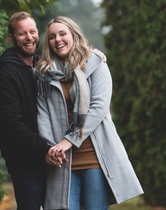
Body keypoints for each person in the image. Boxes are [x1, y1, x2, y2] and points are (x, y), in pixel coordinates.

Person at [35, 16, 144, 209]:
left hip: (95, 156)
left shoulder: (95, 63)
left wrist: (68, 140)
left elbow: (99, 107)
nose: (57, 39)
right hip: (63, 161)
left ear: (74, 35)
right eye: (52, 36)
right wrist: (51, 149)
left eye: (62, 34)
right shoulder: (43, 74)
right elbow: (42, 116)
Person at [0, 11, 64, 210]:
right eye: (22, 34)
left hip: (51, 155)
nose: (29, 37)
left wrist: (96, 55)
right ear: (11, 38)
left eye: (32, 31)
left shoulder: (43, 66)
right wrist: (44, 150)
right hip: (25, 161)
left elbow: (74, 57)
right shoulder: (6, 73)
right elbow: (11, 123)